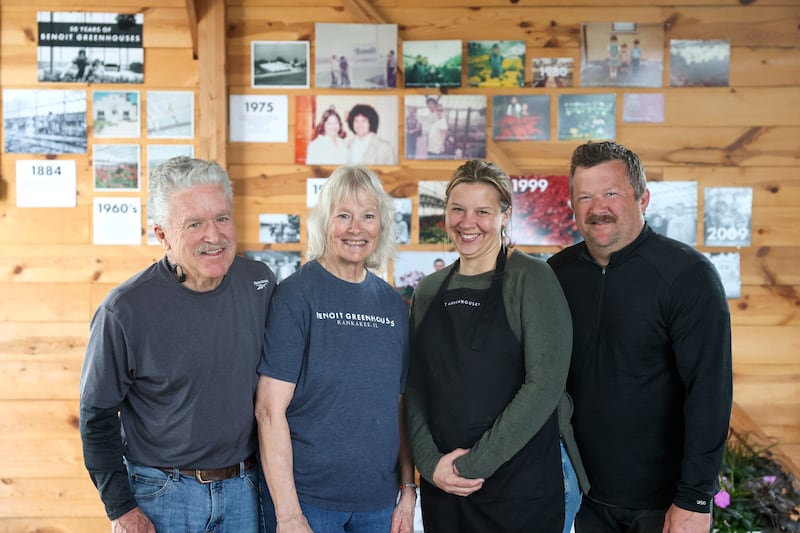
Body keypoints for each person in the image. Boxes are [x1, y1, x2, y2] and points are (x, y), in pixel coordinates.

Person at [79, 156, 276, 532]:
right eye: (194, 224)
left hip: (245, 490)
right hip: (162, 495)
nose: (214, 235)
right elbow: (96, 418)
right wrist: (121, 510)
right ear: (162, 235)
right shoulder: (124, 311)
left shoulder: (260, 283)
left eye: (222, 217)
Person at [548, 141, 733, 533]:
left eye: (611, 193)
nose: (598, 208)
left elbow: (710, 393)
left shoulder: (688, 276)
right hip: (576, 498)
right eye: (585, 197)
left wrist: (695, 499)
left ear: (642, 197)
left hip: (661, 506)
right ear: (572, 206)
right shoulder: (555, 275)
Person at [405, 159, 589, 533]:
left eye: (482, 211)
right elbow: (415, 386)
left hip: (525, 483)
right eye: (457, 209)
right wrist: (430, 464)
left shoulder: (532, 277)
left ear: (505, 215)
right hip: (446, 487)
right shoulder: (428, 289)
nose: (467, 222)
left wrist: (469, 467)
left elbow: (544, 386)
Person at [255, 165, 416, 533]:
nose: (356, 228)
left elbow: (400, 405)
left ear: (382, 225)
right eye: (343, 215)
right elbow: (268, 411)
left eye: (368, 216)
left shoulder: (392, 304)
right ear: (325, 222)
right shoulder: (295, 296)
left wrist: (408, 491)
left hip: (378, 503)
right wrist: (288, 513)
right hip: (308, 502)